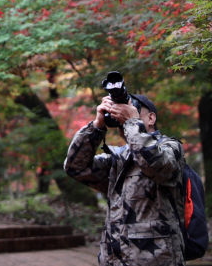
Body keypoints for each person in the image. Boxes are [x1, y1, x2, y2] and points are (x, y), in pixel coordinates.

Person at [64, 91, 185, 266]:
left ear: (151, 118)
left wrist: (131, 121)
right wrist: (97, 126)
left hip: (156, 259)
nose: (124, 112)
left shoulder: (171, 148)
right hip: (114, 259)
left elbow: (153, 164)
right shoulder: (118, 158)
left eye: (131, 109)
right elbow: (75, 167)